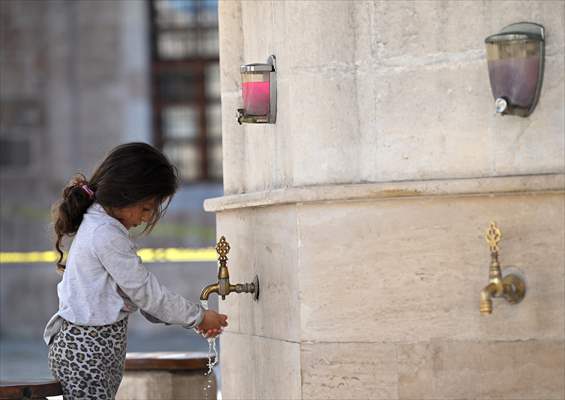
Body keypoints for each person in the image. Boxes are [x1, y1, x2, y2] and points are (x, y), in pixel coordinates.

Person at [44, 142, 228, 399]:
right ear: (124, 194)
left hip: (93, 349)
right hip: (85, 351)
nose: (145, 218)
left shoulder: (103, 227)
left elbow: (140, 298)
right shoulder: (105, 233)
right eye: (145, 209)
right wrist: (198, 316)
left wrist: (188, 319)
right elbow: (146, 293)